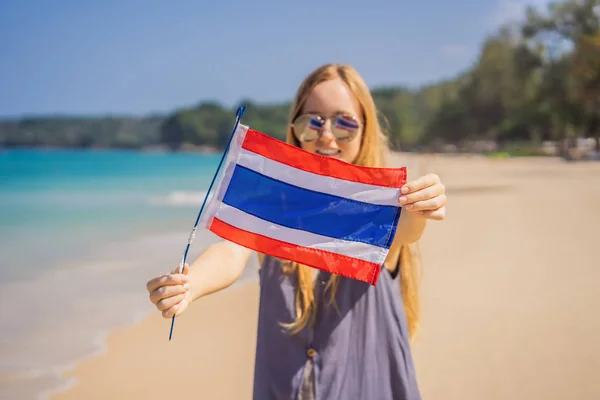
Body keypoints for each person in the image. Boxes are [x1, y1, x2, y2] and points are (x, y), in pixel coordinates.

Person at [146, 64, 447, 399]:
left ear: (365, 130)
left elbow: (405, 232)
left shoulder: (378, 209)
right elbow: (232, 250)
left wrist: (422, 206)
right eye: (312, 121)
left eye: (344, 123)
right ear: (295, 128)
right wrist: (192, 283)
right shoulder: (278, 206)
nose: (327, 135)